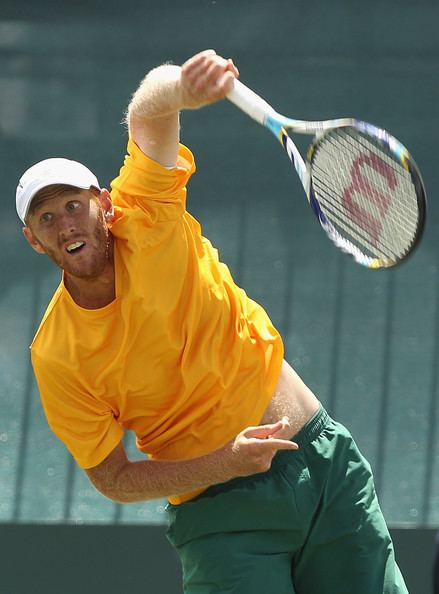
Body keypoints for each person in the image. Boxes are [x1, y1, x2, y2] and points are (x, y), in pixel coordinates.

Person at [16, 49, 408, 594]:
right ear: (34, 240)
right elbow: (113, 477)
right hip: (222, 520)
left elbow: (147, 112)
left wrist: (181, 87)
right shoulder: (57, 355)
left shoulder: (148, 210)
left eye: (73, 205)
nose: (64, 224)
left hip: (326, 470)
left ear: (104, 204)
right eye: (47, 217)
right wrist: (224, 464)